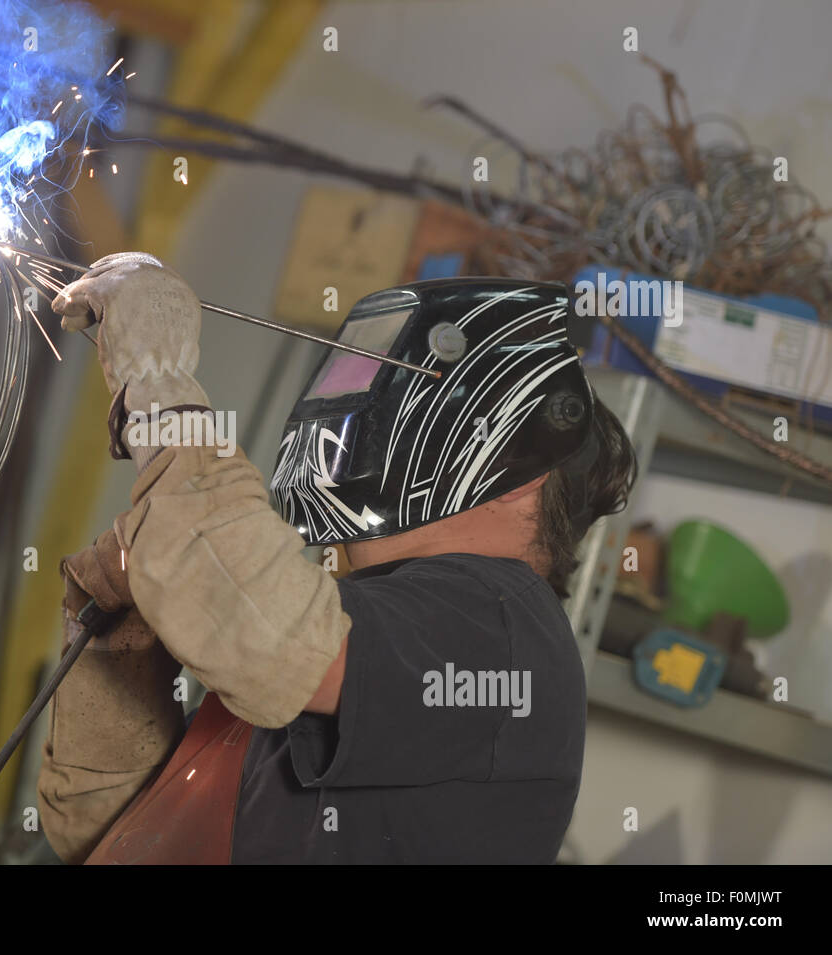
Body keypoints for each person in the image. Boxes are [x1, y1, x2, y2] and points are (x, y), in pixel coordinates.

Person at [36, 254, 637, 864]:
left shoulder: (503, 628)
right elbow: (114, 830)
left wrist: (160, 386)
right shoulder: (365, 625)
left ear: (516, 472)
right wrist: (124, 632)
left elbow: (270, 636)